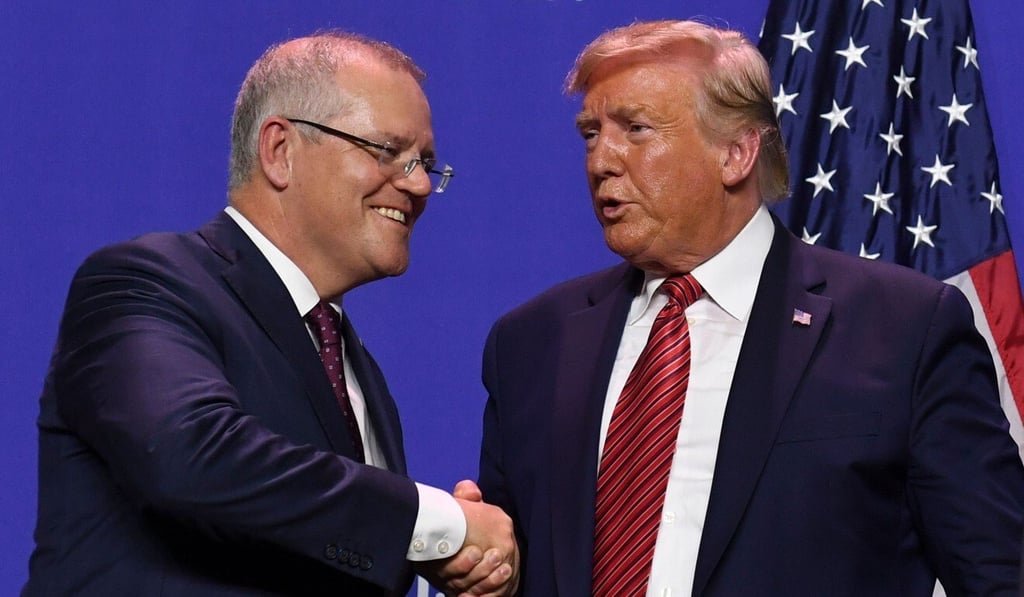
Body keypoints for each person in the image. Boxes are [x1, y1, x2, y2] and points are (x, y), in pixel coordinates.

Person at [472, 19, 1024, 596]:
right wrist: (484, 566)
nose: (601, 160)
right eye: (591, 133)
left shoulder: (905, 329)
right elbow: (510, 568)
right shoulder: (532, 341)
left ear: (735, 153)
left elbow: (997, 575)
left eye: (635, 129)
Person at [24, 32, 517, 597]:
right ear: (280, 150)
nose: (420, 184)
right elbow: (192, 457)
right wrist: (439, 523)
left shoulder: (354, 367)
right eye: (388, 151)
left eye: (426, 162)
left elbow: (320, 545)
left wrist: (448, 568)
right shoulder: (144, 281)